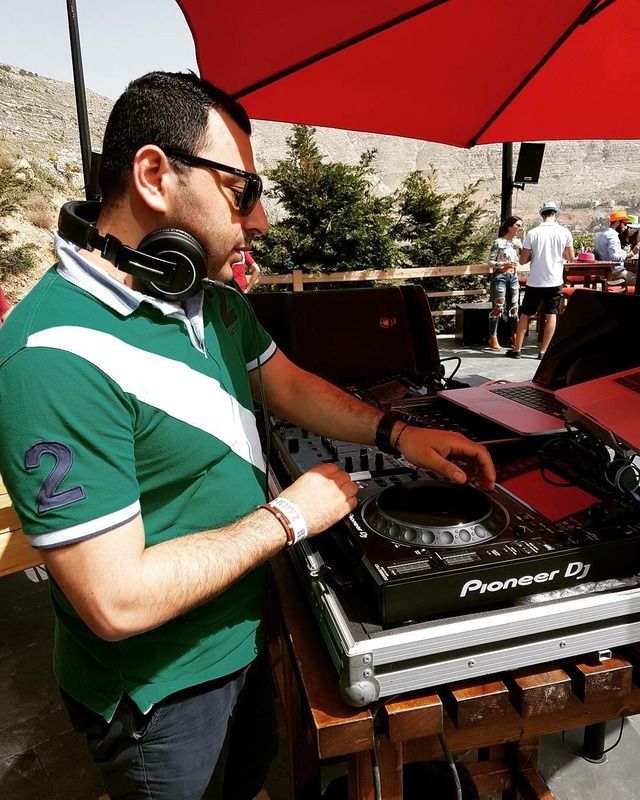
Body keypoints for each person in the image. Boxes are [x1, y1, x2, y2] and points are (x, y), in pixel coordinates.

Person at [0, 71, 495, 800]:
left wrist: (398, 434)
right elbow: (114, 600)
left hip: (245, 631)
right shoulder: (49, 356)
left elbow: (287, 385)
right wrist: (290, 516)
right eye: (242, 192)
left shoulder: (210, 299)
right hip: (159, 696)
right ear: (154, 176)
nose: (259, 221)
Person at [508, 201, 574, 360]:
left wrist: (534, 255)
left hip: (535, 281)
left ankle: (517, 350)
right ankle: (543, 352)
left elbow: (523, 260)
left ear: (542, 215)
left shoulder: (533, 233)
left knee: (525, 314)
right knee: (551, 315)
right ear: (555, 214)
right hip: (554, 280)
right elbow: (570, 257)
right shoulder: (565, 232)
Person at [486, 215, 523, 351]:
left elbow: (524, 256)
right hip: (501, 276)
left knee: (514, 307)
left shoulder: (518, 243)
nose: (520, 228)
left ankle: (514, 335)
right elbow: (490, 262)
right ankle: (493, 337)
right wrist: (503, 264)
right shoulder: (498, 242)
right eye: (518, 225)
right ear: (509, 226)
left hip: (513, 277)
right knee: (498, 306)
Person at [594, 209, 639, 289]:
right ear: (617, 223)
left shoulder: (602, 235)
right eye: (624, 224)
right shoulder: (612, 236)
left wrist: (626, 252)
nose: (625, 227)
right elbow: (614, 258)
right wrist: (632, 253)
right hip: (615, 273)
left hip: (606, 272)